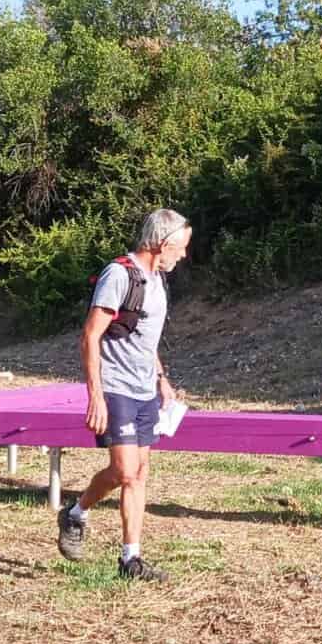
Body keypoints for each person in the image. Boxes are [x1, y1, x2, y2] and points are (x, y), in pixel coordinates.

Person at [57, 208, 192, 581]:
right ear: (161, 243)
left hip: (145, 390)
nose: (183, 255)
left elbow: (144, 338)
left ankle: (131, 560)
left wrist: (161, 378)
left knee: (139, 474)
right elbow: (90, 336)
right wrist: (96, 396)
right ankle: (76, 513)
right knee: (124, 471)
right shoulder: (118, 275)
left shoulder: (157, 279)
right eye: (180, 247)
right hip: (115, 388)